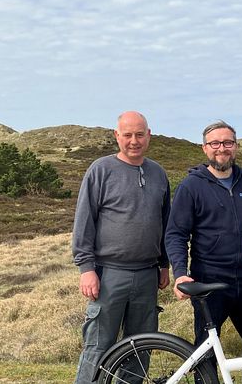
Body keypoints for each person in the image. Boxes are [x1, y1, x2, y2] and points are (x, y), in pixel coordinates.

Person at [166, 120, 242, 384]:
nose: (221, 148)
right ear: (205, 148)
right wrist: (180, 274)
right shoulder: (191, 186)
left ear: (235, 147)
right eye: (215, 143)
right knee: (206, 350)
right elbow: (176, 234)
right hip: (208, 280)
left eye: (227, 143)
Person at [72, 111, 171, 383]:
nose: (134, 141)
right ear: (117, 136)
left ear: (149, 135)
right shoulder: (100, 170)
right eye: (127, 135)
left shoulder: (159, 173)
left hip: (147, 275)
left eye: (140, 134)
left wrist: (164, 264)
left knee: (140, 348)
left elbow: (165, 223)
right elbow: (84, 222)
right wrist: (86, 268)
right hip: (108, 275)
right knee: (98, 347)